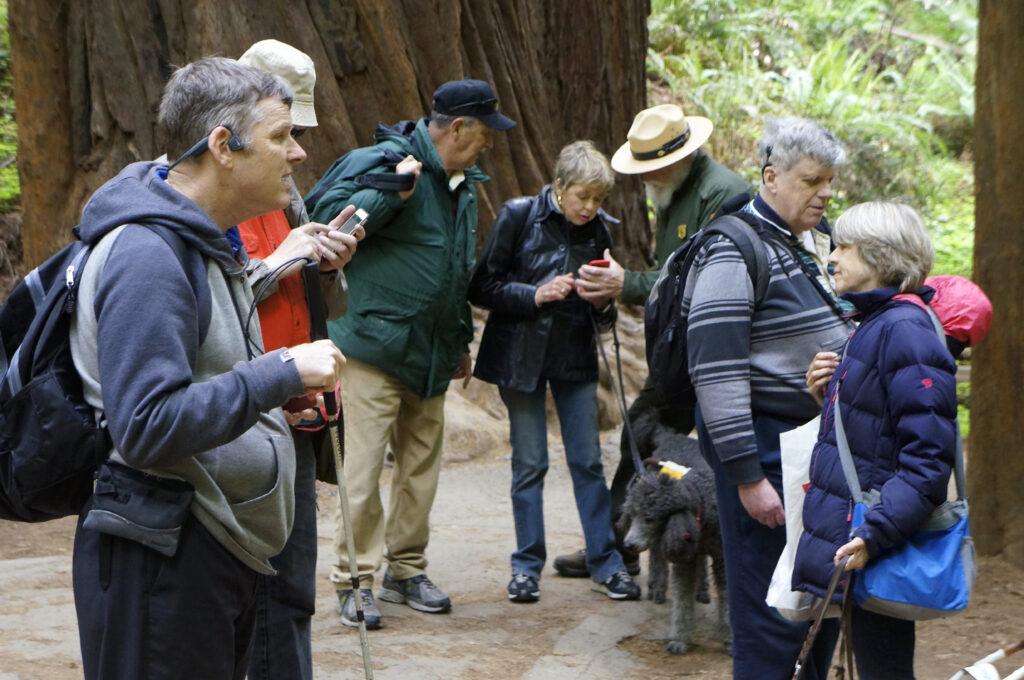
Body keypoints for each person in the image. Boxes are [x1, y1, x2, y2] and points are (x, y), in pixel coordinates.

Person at [68, 57, 346, 679]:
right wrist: (279, 374)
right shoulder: (148, 253)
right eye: (281, 136)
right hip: (161, 558)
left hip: (204, 550)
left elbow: (201, 377)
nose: (298, 154)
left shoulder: (207, 240)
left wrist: (270, 401)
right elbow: (144, 425)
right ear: (223, 145)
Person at [305, 78, 516, 629]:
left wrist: (460, 343)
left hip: (430, 354)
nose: (488, 145)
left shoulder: (463, 184)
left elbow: (453, 271)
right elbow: (325, 224)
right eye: (483, 134)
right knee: (363, 471)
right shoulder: (388, 163)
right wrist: (389, 190)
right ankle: (354, 580)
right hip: (373, 349)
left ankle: (405, 570)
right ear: (457, 127)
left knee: (420, 470)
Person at [682, 116, 855, 680]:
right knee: (769, 611)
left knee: (815, 599)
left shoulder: (809, 239)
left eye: (829, 181)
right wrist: (746, 476)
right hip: (765, 452)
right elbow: (716, 370)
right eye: (811, 181)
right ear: (771, 176)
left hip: (811, 450)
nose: (824, 192)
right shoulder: (734, 249)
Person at [555, 103, 751, 579]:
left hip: (716, 354)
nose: (646, 178)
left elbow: (696, 281)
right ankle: (615, 544)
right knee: (640, 431)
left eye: (652, 167)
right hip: (677, 353)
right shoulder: (671, 187)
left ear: (680, 155)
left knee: (715, 446)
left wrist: (629, 285)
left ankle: (719, 551)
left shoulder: (721, 194)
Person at [233, 39, 361, 680]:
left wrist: (327, 265)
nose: (298, 150)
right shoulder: (209, 200)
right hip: (245, 417)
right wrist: (280, 258)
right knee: (253, 586)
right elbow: (216, 301)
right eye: (285, 131)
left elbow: (315, 303)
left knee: (291, 587)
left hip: (301, 416)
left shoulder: (290, 195)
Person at [468, 140, 642, 604]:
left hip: (575, 359)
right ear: (559, 187)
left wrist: (604, 301)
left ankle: (606, 562)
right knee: (530, 463)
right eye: (582, 196)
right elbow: (482, 285)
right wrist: (535, 294)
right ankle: (526, 566)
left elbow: (604, 314)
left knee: (587, 461)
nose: (590, 207)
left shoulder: (598, 231)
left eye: (598, 199)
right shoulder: (519, 216)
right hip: (520, 358)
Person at [794, 202, 959, 679]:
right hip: (854, 538)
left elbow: (928, 458)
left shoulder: (904, 330)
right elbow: (876, 432)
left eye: (844, 247)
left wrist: (875, 533)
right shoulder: (876, 323)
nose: (832, 257)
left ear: (882, 256)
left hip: (870, 540)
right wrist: (828, 395)